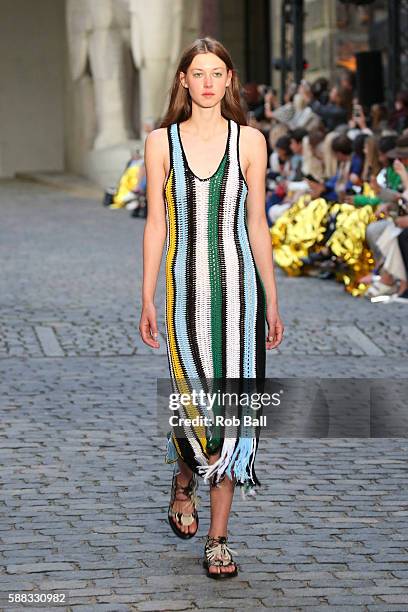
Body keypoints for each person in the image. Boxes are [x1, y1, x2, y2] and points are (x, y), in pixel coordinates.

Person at [139, 37, 283, 579]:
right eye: (196, 72)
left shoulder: (250, 141)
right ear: (183, 80)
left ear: (229, 80)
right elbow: (155, 223)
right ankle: (183, 477)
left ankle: (219, 539)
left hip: (241, 293)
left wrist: (271, 299)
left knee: (234, 413)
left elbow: (258, 224)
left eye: (215, 72)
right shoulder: (160, 143)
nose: (205, 81)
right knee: (193, 404)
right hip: (182, 293)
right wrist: (146, 295)